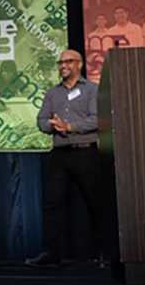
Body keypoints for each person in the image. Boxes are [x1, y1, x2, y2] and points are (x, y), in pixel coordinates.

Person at [25, 50, 104, 267]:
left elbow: (97, 119)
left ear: (79, 64)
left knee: (95, 203)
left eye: (68, 62)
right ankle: (51, 253)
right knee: (52, 204)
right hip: (60, 155)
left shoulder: (92, 90)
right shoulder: (52, 93)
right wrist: (51, 124)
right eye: (60, 62)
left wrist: (70, 126)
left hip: (85, 153)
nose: (62, 66)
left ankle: (106, 252)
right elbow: (41, 120)